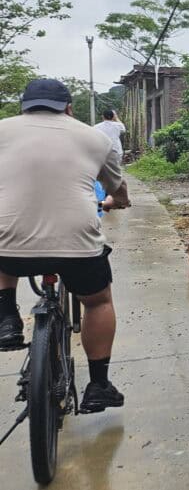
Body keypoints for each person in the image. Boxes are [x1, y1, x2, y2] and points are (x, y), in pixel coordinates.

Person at [0, 79, 131, 413]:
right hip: (77, 243)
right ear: (69, 109)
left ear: (23, 107)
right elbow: (117, 186)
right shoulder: (95, 137)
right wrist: (119, 202)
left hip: (10, 241)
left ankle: (6, 318)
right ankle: (99, 385)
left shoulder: (3, 130)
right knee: (98, 300)